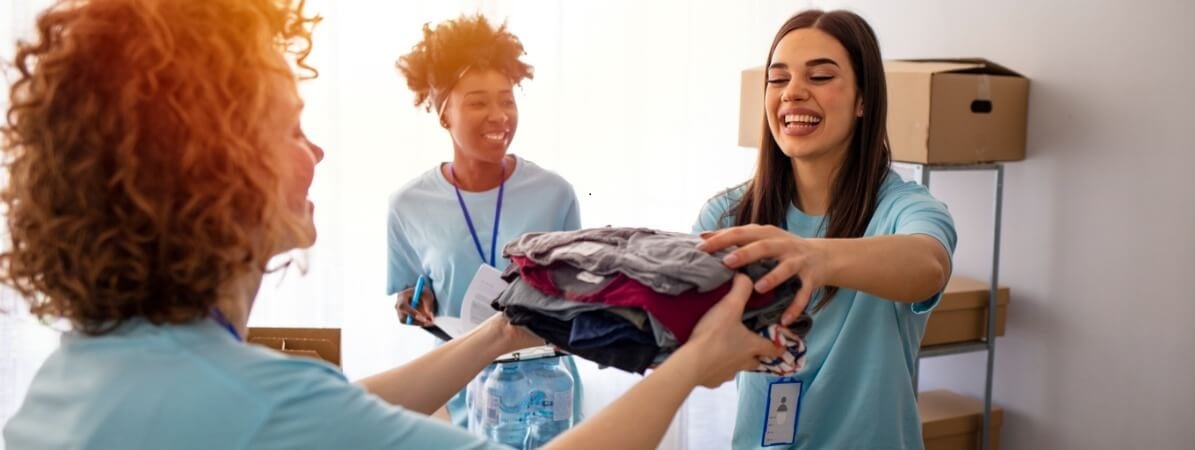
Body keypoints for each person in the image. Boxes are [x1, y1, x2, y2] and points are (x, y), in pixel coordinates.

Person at [0, 0, 784, 449]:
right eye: (288, 127)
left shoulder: (85, 372)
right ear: (209, 164)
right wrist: (693, 363)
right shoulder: (257, 403)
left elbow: (342, 408)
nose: (317, 149)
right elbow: (308, 412)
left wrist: (504, 329)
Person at [692, 10, 958, 449]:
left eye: (819, 76)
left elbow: (928, 264)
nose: (793, 93)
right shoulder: (726, 217)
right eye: (778, 81)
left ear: (863, 100)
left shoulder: (903, 207)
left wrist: (815, 256)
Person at [388, 14, 583, 427]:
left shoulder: (556, 194)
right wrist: (412, 305)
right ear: (444, 114)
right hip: (459, 394)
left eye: (507, 100)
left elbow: (577, 297)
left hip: (547, 397)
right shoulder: (408, 205)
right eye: (477, 102)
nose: (498, 115)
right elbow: (406, 298)